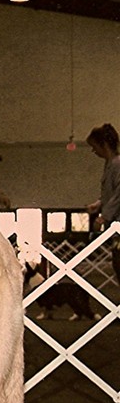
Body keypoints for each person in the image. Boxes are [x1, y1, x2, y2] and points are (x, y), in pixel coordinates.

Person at [85, 123, 120, 286]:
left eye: (94, 147)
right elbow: (112, 192)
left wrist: (104, 216)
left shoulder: (117, 164)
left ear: (104, 144)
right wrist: (99, 204)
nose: (93, 151)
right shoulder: (110, 164)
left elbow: (119, 194)